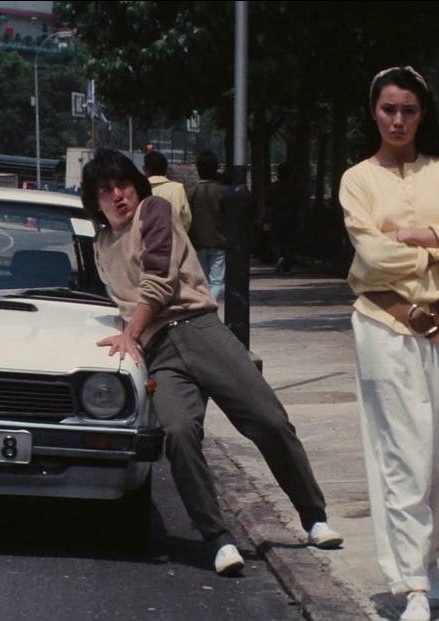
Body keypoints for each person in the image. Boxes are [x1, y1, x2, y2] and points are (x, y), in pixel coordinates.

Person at [81, 148, 344, 577]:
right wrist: (128, 335)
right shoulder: (101, 244)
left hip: (199, 330)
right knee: (179, 433)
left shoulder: (155, 210)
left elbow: (159, 281)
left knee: (268, 419)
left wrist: (130, 332)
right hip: (159, 351)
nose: (118, 196)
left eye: (123, 185)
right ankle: (218, 539)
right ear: (94, 201)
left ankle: (313, 516)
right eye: (106, 191)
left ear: (137, 186)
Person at [338, 66, 439, 621]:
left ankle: (429, 557)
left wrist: (420, 235)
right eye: (388, 109)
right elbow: (374, 258)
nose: (398, 120)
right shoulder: (357, 178)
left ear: (423, 113)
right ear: (373, 112)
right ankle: (412, 585)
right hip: (387, 327)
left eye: (409, 110)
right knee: (404, 453)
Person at [186, 151, 228, 305]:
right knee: (217, 281)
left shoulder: (191, 192)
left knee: (201, 280)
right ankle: (211, 304)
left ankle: (205, 305)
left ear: (198, 169)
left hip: (197, 242)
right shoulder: (222, 191)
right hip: (219, 241)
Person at [263, 162, 306, 273]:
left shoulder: (273, 187)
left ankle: (279, 257)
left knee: (275, 240)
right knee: (289, 240)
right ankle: (287, 263)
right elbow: (301, 204)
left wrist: (262, 217)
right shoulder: (296, 188)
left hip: (276, 216)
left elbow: (266, 203)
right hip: (292, 216)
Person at [143, 150, 192, 231]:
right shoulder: (178, 188)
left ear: (145, 169)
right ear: (165, 169)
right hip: (173, 239)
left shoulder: (139, 189)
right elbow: (186, 219)